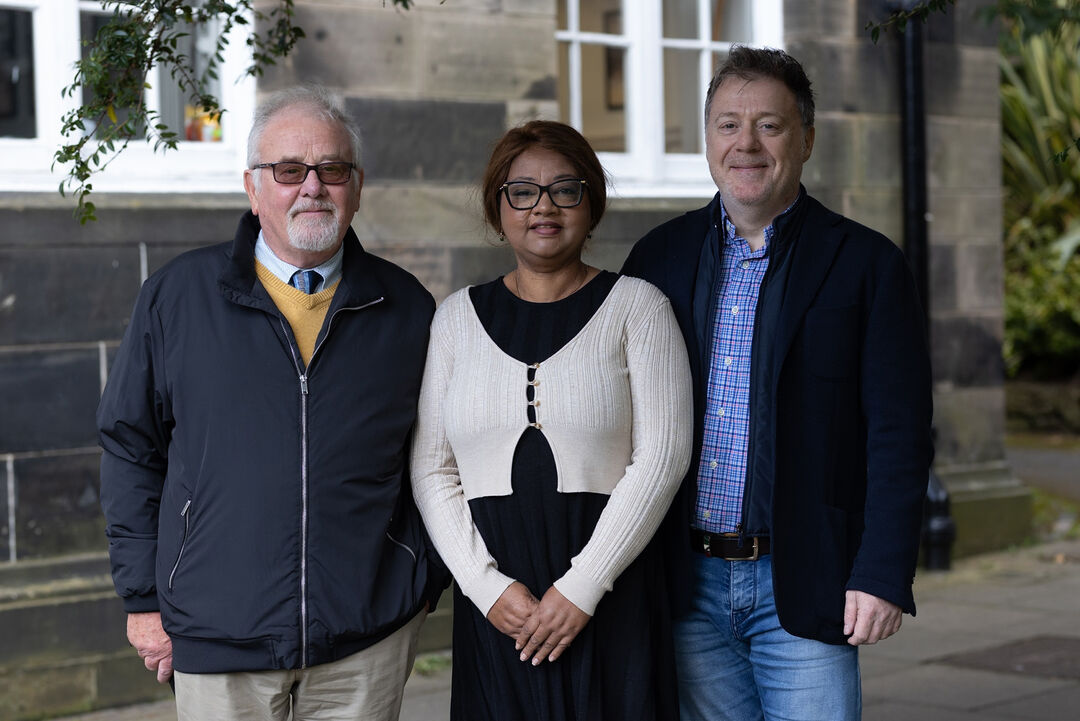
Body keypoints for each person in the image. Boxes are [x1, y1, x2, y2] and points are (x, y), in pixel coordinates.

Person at [97, 85, 446, 721]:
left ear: (357, 187)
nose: (312, 187)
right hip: (218, 638)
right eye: (289, 170)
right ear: (254, 188)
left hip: (364, 643)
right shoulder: (176, 299)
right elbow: (130, 448)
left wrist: (422, 582)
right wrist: (143, 601)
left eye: (332, 170)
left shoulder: (407, 308)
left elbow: (440, 455)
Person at [621, 47, 933, 720]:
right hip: (686, 585)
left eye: (771, 124)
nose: (747, 143)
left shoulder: (867, 265)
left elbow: (899, 433)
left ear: (807, 138)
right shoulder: (656, 260)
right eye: (729, 124)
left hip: (804, 576)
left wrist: (881, 573)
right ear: (707, 140)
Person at [410, 120, 693, 721]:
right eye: (523, 191)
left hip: (610, 587)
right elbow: (432, 469)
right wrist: (486, 589)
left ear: (591, 204)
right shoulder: (455, 318)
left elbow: (663, 457)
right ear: (498, 206)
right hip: (499, 602)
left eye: (566, 189)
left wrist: (583, 587)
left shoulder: (638, 308)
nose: (544, 206)